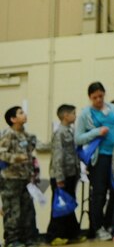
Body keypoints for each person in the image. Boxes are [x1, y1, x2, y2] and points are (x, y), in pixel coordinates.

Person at [75, 82, 114, 242]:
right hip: (99, 157)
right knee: (99, 193)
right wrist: (96, 131)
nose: (98, 100)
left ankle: (108, 224)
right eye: (94, 97)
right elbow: (78, 138)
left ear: (104, 94)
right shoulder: (84, 114)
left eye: (101, 96)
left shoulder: (113, 109)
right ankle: (98, 227)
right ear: (90, 98)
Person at [1, 106, 39, 247]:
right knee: (12, 211)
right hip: (10, 179)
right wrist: (16, 158)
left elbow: (31, 153)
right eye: (21, 113)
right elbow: (1, 153)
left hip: (25, 178)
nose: (25, 114)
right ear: (13, 119)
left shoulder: (26, 135)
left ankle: (27, 238)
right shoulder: (7, 134)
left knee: (27, 210)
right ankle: (12, 240)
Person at [46, 103, 81, 245]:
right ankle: (53, 236)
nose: (75, 115)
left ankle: (71, 234)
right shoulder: (59, 132)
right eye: (73, 113)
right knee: (60, 206)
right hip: (61, 175)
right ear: (65, 116)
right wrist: (59, 178)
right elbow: (58, 156)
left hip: (70, 174)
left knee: (69, 205)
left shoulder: (70, 131)